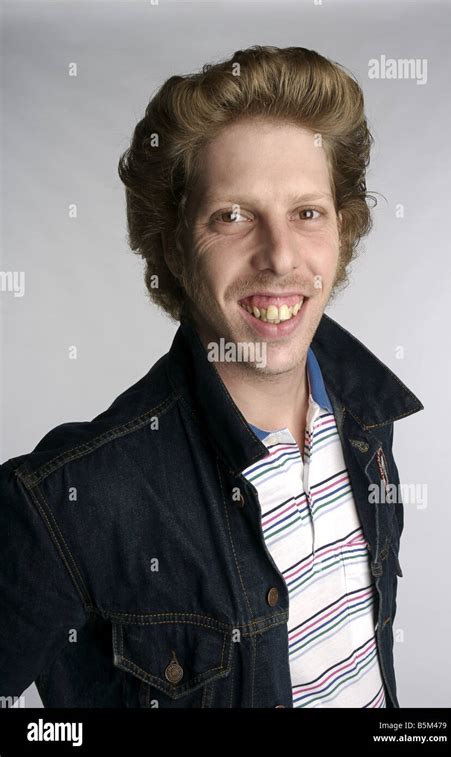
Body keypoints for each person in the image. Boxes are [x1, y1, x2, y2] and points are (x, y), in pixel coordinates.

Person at [0, 45, 423, 708]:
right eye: (233, 216)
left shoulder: (367, 415)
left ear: (342, 227)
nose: (280, 256)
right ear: (173, 242)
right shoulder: (67, 501)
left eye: (306, 212)